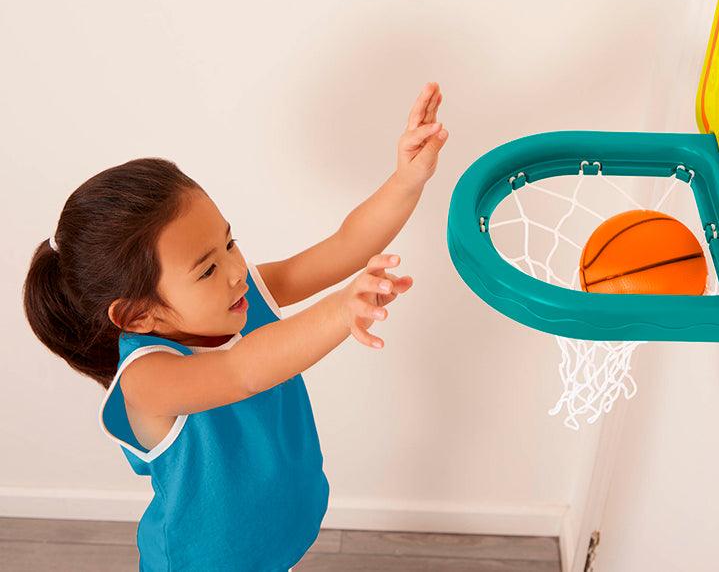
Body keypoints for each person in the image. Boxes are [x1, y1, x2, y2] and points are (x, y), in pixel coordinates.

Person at [22, 82, 448, 571]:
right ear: (138, 315)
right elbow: (241, 371)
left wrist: (406, 180)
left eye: (230, 242)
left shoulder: (241, 298)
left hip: (272, 547)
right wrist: (338, 312)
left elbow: (345, 244)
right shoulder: (147, 380)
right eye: (206, 269)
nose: (234, 270)